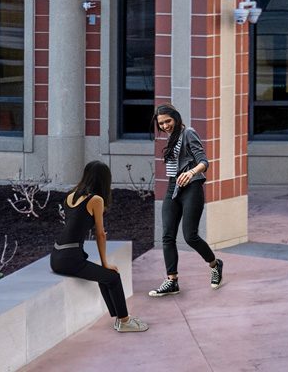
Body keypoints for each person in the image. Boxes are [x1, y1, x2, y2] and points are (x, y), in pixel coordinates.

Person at [49, 160, 147, 333]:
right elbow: (100, 234)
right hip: (71, 260)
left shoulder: (70, 196)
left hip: (56, 256)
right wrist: (105, 262)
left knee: (106, 277)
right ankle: (124, 321)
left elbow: (73, 227)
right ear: (104, 180)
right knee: (113, 277)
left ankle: (119, 318)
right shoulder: (96, 200)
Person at [149, 104, 225, 296]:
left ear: (176, 118)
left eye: (168, 121)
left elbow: (204, 162)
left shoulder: (188, 133)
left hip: (191, 187)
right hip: (173, 187)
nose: (165, 125)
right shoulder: (171, 137)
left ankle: (215, 265)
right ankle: (172, 280)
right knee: (167, 235)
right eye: (161, 123)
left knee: (190, 236)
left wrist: (191, 172)